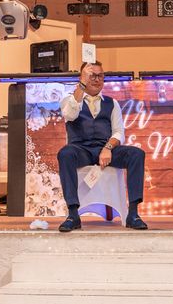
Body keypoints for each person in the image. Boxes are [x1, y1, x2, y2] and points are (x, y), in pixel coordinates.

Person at [57, 61, 147, 231]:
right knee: (65, 154)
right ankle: (73, 214)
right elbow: (70, 113)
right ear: (82, 78)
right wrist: (81, 87)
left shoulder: (111, 103)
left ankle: (133, 213)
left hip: (105, 149)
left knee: (136, 154)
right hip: (80, 149)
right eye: (92, 75)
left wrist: (108, 148)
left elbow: (119, 132)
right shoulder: (69, 100)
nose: (96, 79)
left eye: (100, 76)